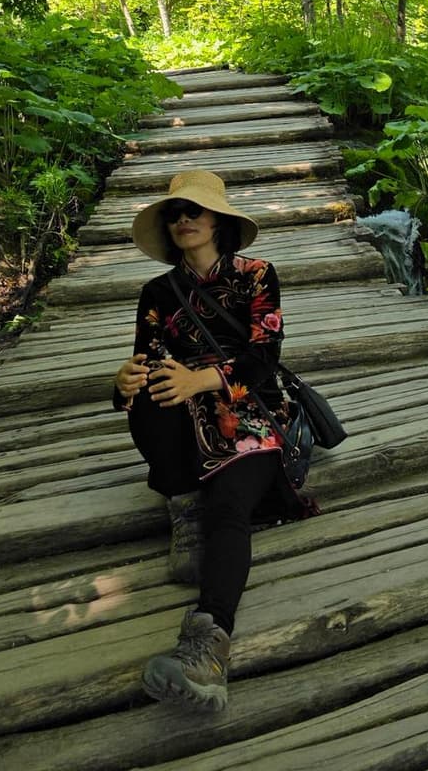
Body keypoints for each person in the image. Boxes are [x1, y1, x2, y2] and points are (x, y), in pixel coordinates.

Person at [113, 168, 313, 712]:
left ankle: (207, 647)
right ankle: (182, 503)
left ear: (218, 220)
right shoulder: (157, 292)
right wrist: (121, 384)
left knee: (228, 507)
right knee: (151, 398)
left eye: (192, 211)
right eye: (173, 215)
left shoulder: (256, 275)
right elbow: (147, 360)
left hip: (248, 406)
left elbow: (264, 358)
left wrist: (205, 379)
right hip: (179, 413)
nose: (182, 221)